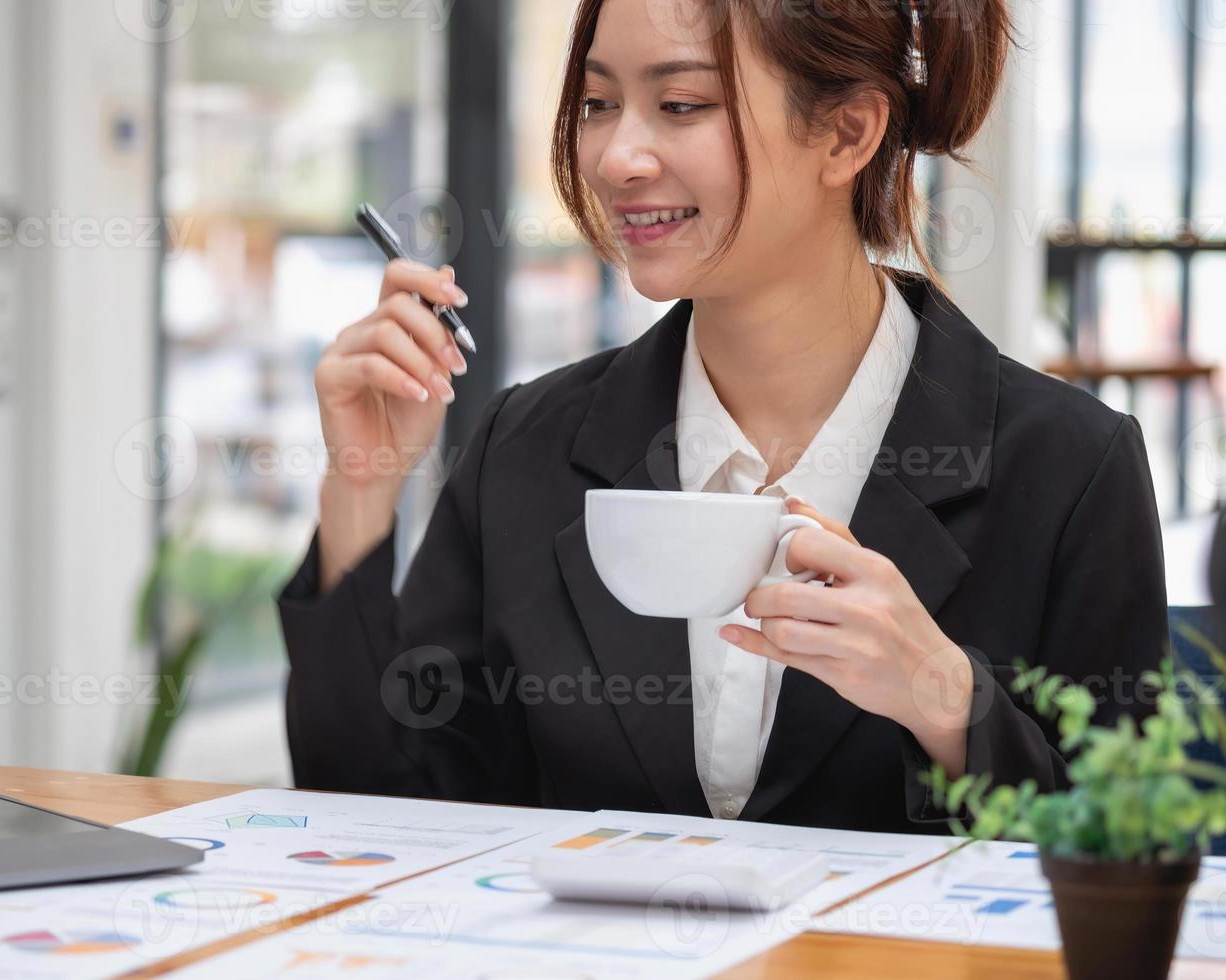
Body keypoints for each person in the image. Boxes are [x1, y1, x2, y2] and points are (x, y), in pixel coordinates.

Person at [275, 0, 1169, 832]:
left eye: (682, 104)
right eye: (596, 102)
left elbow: (1128, 864)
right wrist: (361, 488)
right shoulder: (528, 449)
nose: (617, 157)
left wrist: (945, 701)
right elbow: (378, 820)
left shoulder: (1067, 469)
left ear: (847, 133)